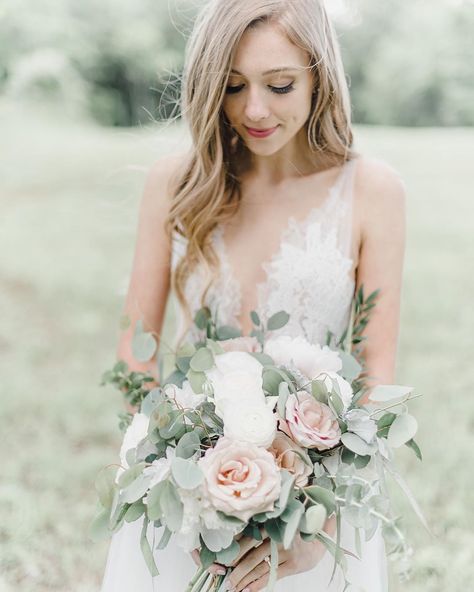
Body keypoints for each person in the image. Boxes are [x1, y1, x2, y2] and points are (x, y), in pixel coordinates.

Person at [100, 0, 406, 590]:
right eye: (233, 86)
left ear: (320, 75)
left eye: (281, 84)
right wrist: (172, 476)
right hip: (185, 492)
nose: (254, 109)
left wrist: (318, 523)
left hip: (322, 501)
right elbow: (136, 356)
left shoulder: (372, 191)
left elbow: (374, 378)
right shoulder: (179, 182)